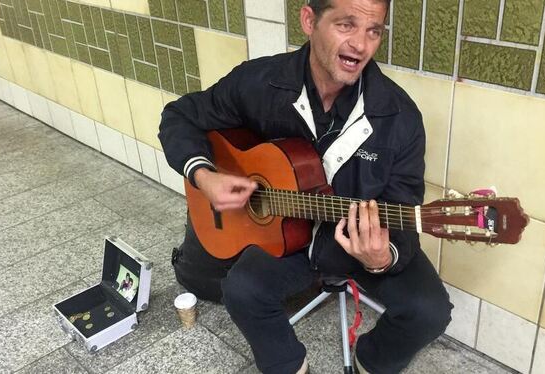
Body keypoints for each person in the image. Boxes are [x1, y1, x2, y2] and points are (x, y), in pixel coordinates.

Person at [159, 0, 453, 372]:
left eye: (373, 30)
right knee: (242, 289)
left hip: (359, 242)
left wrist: (382, 257)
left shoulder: (400, 117)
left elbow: (404, 205)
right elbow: (180, 116)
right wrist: (203, 173)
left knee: (429, 311)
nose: (361, 45)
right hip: (286, 240)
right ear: (309, 20)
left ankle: (371, 359)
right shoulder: (260, 82)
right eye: (347, 25)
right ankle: (288, 364)